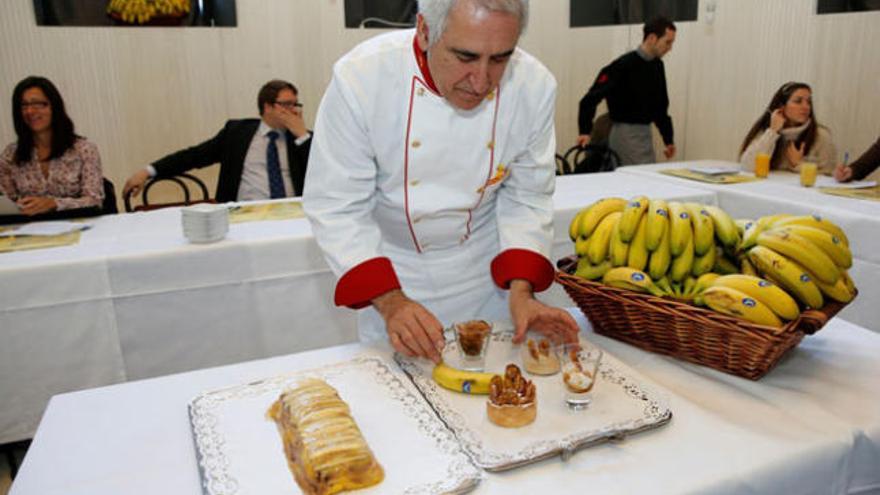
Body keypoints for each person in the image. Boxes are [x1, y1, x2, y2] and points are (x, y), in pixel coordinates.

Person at [303, 0, 579, 363]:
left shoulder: (534, 85)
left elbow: (527, 195)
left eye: (500, 59)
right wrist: (390, 302)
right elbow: (337, 205)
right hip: (392, 276)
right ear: (423, 31)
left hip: (487, 276)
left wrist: (522, 292)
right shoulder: (362, 78)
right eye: (465, 57)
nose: (482, 81)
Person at [122, 79, 311, 202]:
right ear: (267, 107)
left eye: (295, 104)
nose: (294, 110)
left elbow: (325, 172)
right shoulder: (237, 133)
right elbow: (194, 156)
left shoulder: (302, 138)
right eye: (287, 104)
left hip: (291, 215)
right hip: (244, 214)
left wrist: (303, 136)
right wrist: (148, 171)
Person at [576, 16, 677, 165]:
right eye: (667, 42)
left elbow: (660, 107)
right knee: (639, 180)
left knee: (645, 178)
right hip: (624, 133)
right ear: (652, 38)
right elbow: (589, 99)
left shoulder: (657, 66)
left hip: (645, 134)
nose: (670, 48)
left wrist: (668, 140)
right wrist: (585, 131)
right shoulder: (622, 66)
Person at [0, 76, 104, 216]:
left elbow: (94, 200)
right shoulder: (10, 154)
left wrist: (54, 203)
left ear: (54, 107)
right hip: (29, 230)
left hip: (77, 227)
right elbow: (7, 203)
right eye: (24, 105)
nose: (30, 111)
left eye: (38, 104)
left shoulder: (84, 150)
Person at [739, 82, 837, 175]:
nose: (806, 107)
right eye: (798, 101)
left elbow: (828, 175)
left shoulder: (821, 135)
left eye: (808, 102)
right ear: (781, 107)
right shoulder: (767, 130)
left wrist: (798, 164)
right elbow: (748, 166)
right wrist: (772, 132)